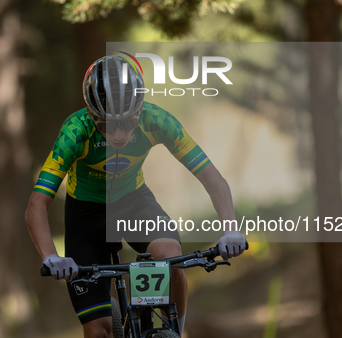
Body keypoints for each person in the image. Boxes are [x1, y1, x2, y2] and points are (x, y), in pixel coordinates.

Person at [25, 55, 246, 338]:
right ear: (92, 116)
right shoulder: (75, 132)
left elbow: (212, 177)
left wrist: (230, 230)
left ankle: (173, 331)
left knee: (169, 258)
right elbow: (36, 204)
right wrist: (51, 256)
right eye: (107, 125)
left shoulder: (157, 121)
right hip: (86, 215)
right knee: (99, 332)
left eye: (128, 122)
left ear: (140, 109)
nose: (119, 133)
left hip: (133, 204)